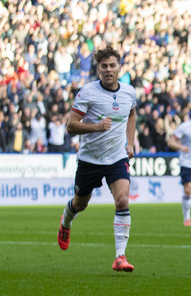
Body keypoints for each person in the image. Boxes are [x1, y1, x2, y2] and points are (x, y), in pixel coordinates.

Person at [57, 46, 138, 272]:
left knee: (123, 200)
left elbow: (132, 114)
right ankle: (66, 222)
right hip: (90, 159)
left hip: (117, 157)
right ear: (98, 69)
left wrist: (129, 142)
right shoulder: (88, 92)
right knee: (80, 204)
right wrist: (96, 127)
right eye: (104, 66)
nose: (108, 70)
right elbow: (71, 126)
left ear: (119, 67)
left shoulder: (129, 92)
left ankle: (120, 256)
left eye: (112, 65)